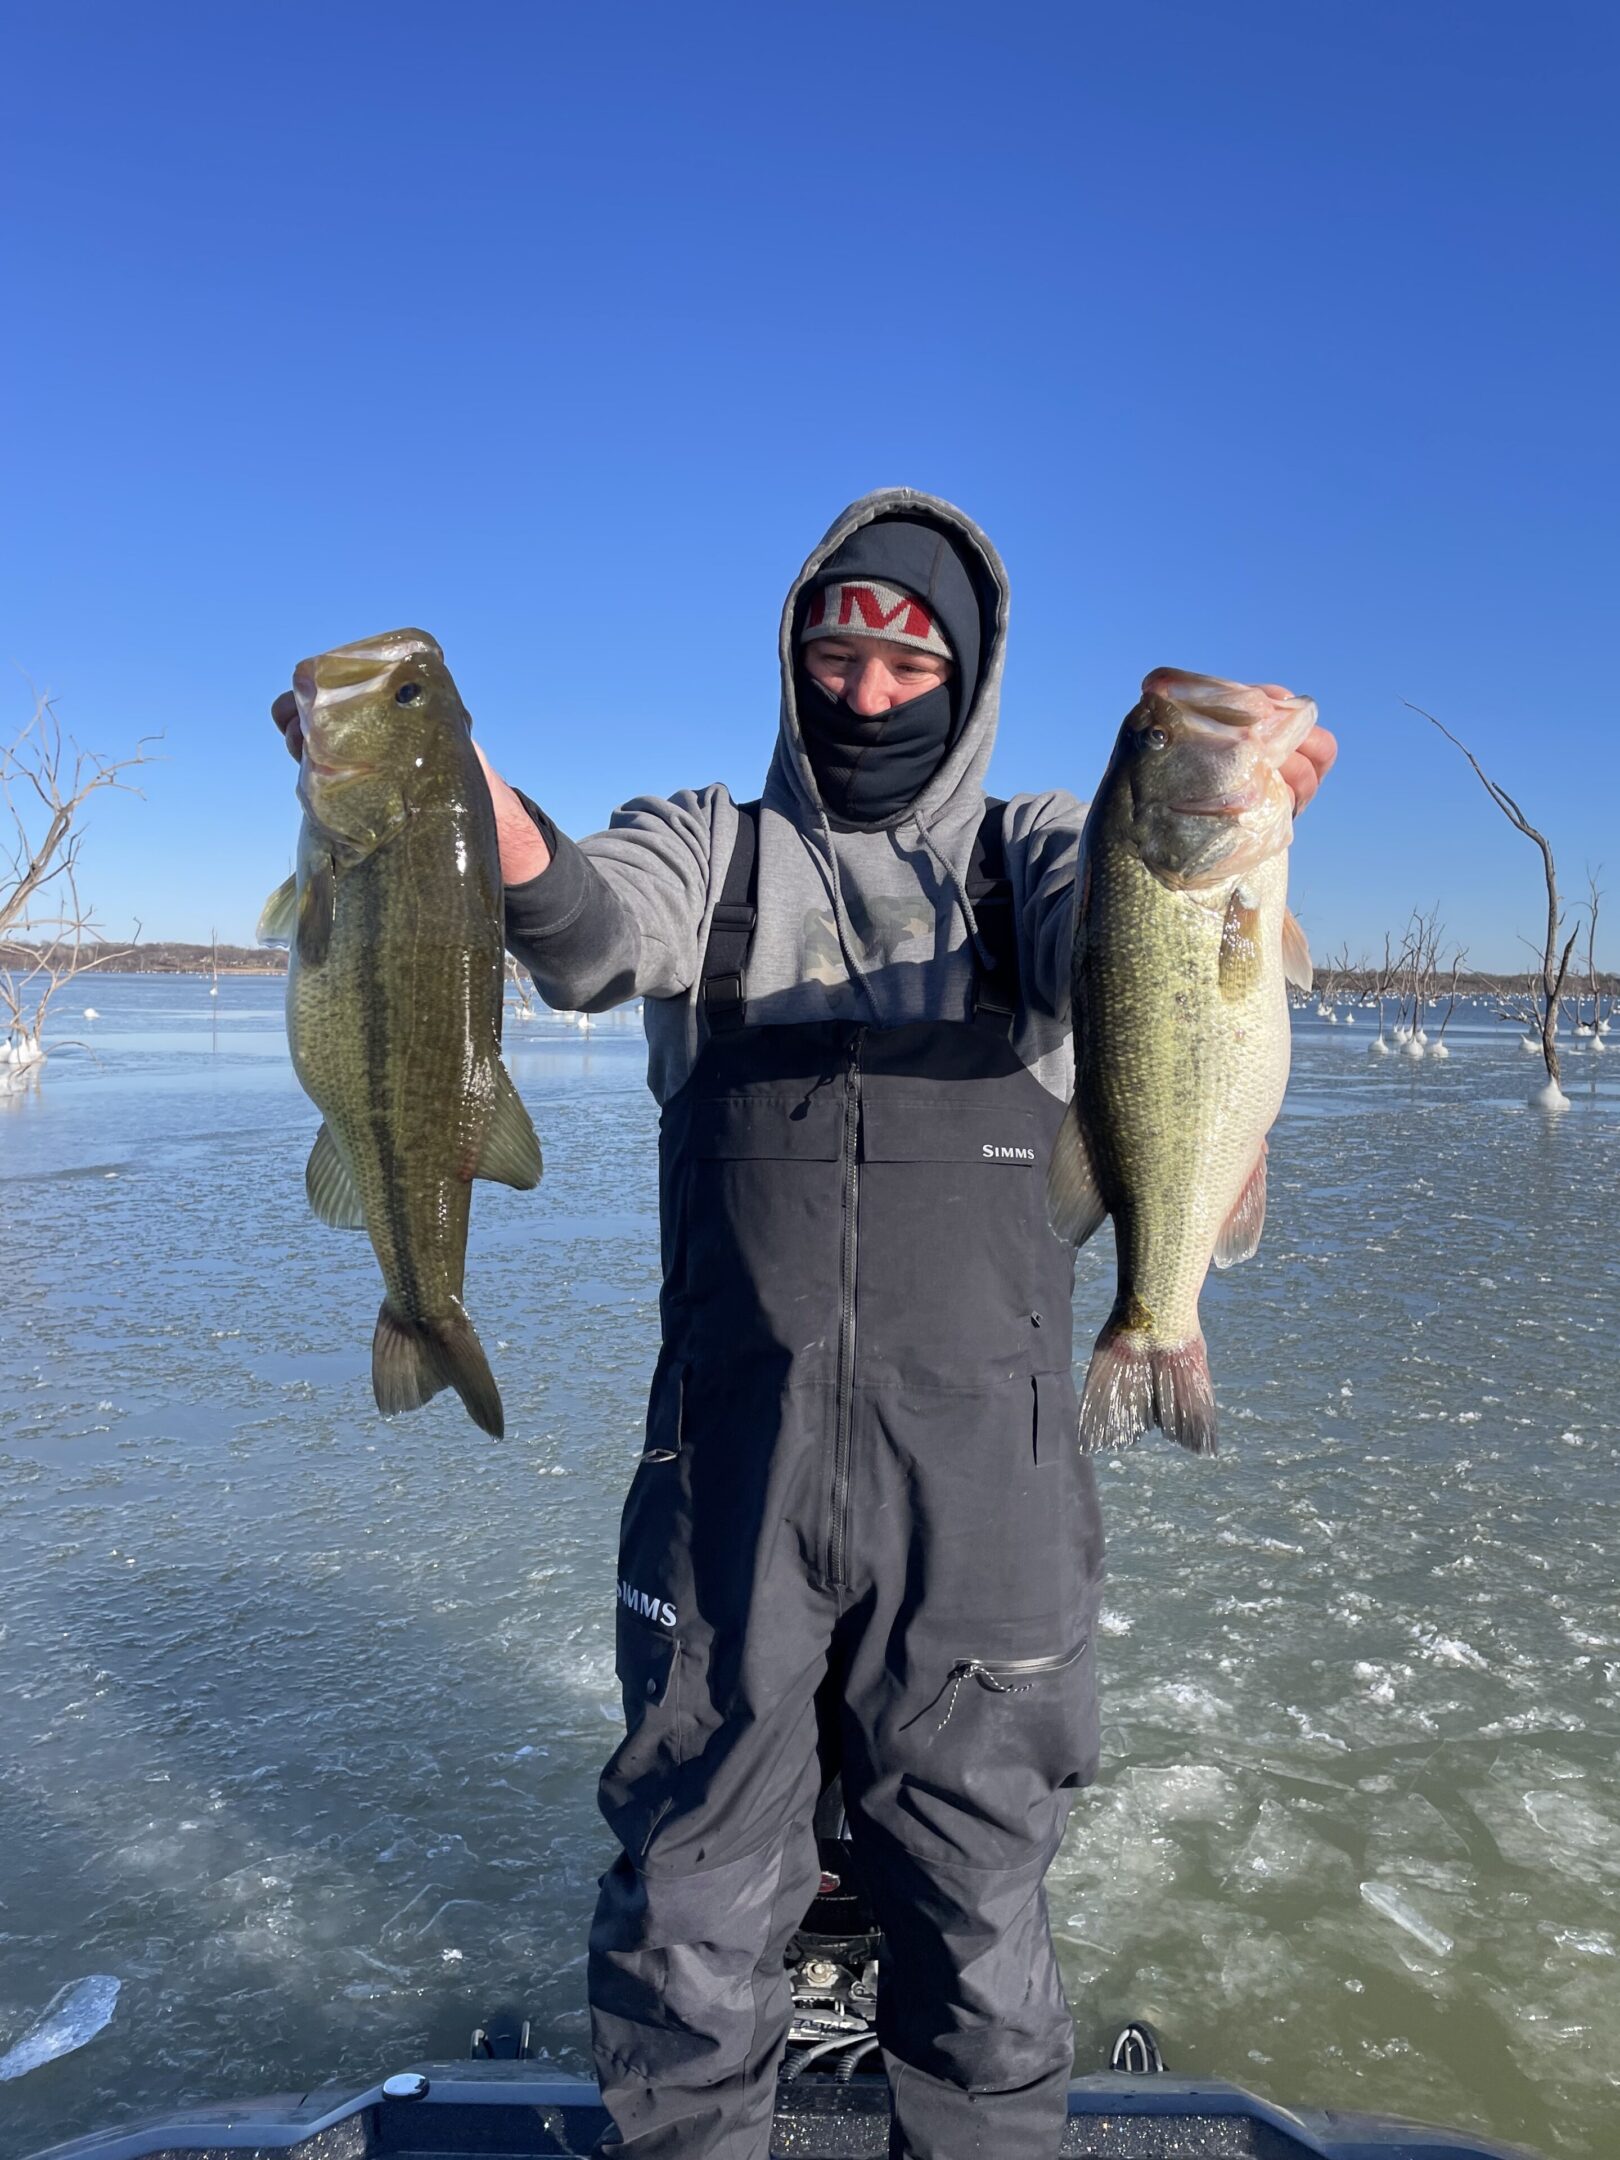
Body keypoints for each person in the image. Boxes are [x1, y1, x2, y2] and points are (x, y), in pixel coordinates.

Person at [274, 489, 1335, 2160]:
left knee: (982, 1930)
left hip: (986, 1495)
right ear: (793, 660)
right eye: (837, 646)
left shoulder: (1050, 850)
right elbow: (581, 929)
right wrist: (455, 804)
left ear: (969, 675)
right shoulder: (710, 844)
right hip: (729, 1482)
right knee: (690, 1905)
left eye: (911, 656)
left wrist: (1243, 825)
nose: (867, 684)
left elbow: (1117, 954)